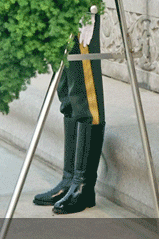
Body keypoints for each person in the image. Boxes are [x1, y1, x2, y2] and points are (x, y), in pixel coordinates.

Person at [32, 12, 106, 215]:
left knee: (85, 97)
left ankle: (83, 186)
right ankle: (69, 180)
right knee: (68, 94)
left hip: (79, 2)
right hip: (56, 2)